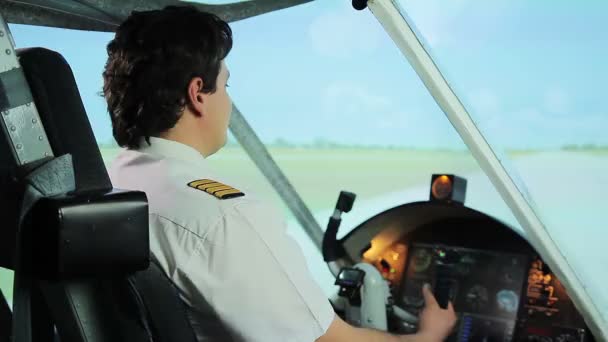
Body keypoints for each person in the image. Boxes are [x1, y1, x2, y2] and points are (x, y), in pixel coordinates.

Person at [104, 5, 457, 342]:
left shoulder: (110, 184)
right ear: (198, 93)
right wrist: (429, 335)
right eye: (225, 86)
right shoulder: (224, 219)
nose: (227, 102)